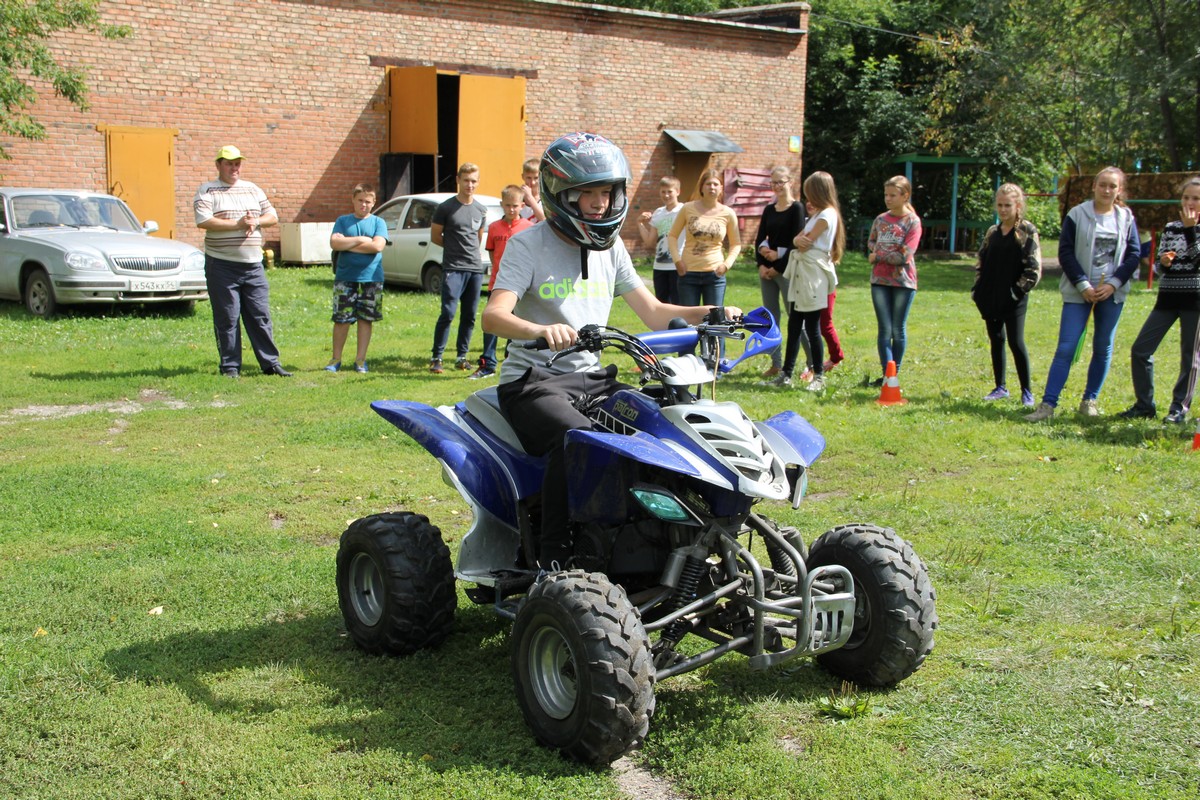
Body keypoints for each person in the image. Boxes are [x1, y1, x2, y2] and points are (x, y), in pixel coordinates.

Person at [482, 132, 741, 569]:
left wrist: (711, 312)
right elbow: (493, 316)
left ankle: (653, 545)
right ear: (562, 193)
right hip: (533, 382)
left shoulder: (611, 246)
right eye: (587, 193)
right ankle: (554, 558)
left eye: (606, 192)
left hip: (593, 380)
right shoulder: (528, 244)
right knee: (579, 440)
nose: (599, 203)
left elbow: (654, 313)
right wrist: (541, 330)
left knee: (661, 428)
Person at [1026, 167, 1141, 421]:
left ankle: (1090, 400)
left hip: (1111, 293)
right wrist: (1083, 285)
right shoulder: (1077, 214)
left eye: (1112, 186)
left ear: (1119, 190)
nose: (1107, 190)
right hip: (1080, 292)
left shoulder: (1126, 217)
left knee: (1103, 346)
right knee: (1066, 347)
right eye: (1102, 185)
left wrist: (1113, 284)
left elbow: (1134, 254)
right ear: (1094, 186)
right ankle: (1048, 405)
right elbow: (1065, 252)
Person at [193, 145, 290, 378]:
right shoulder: (207, 190)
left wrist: (256, 221)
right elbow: (203, 221)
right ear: (218, 165)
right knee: (227, 317)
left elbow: (272, 216)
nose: (234, 168)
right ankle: (230, 366)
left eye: (237, 163)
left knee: (260, 315)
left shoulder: (252, 189)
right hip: (221, 265)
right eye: (229, 163)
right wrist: (237, 224)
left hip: (253, 265)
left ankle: (270, 363)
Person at [1117, 175, 1200, 424]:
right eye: (1186, 197)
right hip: (1167, 298)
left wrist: (1190, 229)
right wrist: (1163, 263)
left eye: (1196, 199)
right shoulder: (1171, 227)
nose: (1190, 202)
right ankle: (1144, 405)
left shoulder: (1190, 228)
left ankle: (1179, 409)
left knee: (1190, 357)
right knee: (1140, 349)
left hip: (1195, 301)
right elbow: (1159, 268)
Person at [971, 183, 1042, 406]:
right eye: (1000, 205)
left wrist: (1015, 292)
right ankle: (1000, 387)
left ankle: (1026, 391)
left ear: (1018, 205)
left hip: (1013, 298)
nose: (1003, 209)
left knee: (1016, 342)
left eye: (1008, 205)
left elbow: (1034, 269)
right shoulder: (993, 232)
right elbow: (981, 261)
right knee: (996, 340)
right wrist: (977, 289)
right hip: (990, 296)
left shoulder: (1026, 231)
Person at [775, 171, 845, 393]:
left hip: (813, 274)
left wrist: (798, 240)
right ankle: (786, 373)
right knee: (794, 324)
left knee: (813, 326)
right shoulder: (817, 215)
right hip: (802, 272)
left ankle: (819, 375)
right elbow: (798, 240)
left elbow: (805, 240)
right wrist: (798, 240)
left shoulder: (827, 214)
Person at [429, 163, 489, 374]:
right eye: (466, 180)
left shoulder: (481, 209)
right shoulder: (445, 207)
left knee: (469, 316)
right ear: (458, 180)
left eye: (473, 181)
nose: (469, 185)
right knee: (448, 312)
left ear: (478, 182)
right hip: (453, 268)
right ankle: (436, 357)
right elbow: (435, 236)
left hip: (474, 269)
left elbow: (477, 238)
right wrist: (453, 249)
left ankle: (461, 356)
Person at [325, 184, 388, 373]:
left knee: (365, 319)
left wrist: (348, 244)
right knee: (341, 319)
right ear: (353, 199)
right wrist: (362, 240)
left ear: (374, 202)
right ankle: (335, 359)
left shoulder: (378, 222)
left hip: (371, 278)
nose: (363, 204)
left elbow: (377, 246)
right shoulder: (343, 221)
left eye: (367, 201)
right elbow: (334, 243)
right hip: (345, 277)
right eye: (360, 200)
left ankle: (360, 360)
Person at [474, 184, 534, 380]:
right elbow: (493, 254)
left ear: (522, 206)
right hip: (497, 284)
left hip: (521, 288)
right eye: (507, 205)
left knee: (516, 325)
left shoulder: (529, 227)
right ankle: (488, 363)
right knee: (492, 323)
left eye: (515, 206)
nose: (511, 209)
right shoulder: (494, 227)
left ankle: (513, 360)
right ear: (502, 205)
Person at [867, 175, 922, 386]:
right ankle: (886, 375)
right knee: (884, 330)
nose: (888, 199)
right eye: (886, 195)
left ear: (905, 196)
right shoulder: (880, 219)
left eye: (893, 195)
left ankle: (894, 375)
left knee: (897, 330)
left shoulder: (912, 222)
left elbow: (905, 255)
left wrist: (878, 256)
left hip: (903, 282)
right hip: (879, 281)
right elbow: (872, 241)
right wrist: (877, 251)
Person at [668, 169, 742, 310]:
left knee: (714, 319)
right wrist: (677, 261)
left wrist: (726, 265)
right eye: (708, 184)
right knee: (689, 319)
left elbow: (736, 244)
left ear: (721, 188)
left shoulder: (728, 213)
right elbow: (672, 236)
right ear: (701, 187)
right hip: (688, 273)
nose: (711, 187)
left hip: (715, 275)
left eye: (715, 184)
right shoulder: (687, 208)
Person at [755, 166, 804, 378]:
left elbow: (796, 243)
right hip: (767, 272)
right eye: (773, 182)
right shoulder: (769, 209)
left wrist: (777, 267)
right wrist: (761, 264)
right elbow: (759, 239)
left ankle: (812, 365)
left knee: (796, 317)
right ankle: (776, 363)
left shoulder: (797, 208)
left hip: (787, 271)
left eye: (780, 182)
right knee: (771, 319)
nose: (776, 186)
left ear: (790, 182)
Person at [637, 176, 685, 305]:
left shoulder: (684, 210)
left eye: (670, 191)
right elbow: (649, 242)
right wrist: (640, 223)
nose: (666, 195)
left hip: (678, 265)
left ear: (678, 192)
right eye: (663, 192)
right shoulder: (658, 213)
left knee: (678, 304)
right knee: (662, 304)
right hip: (660, 266)